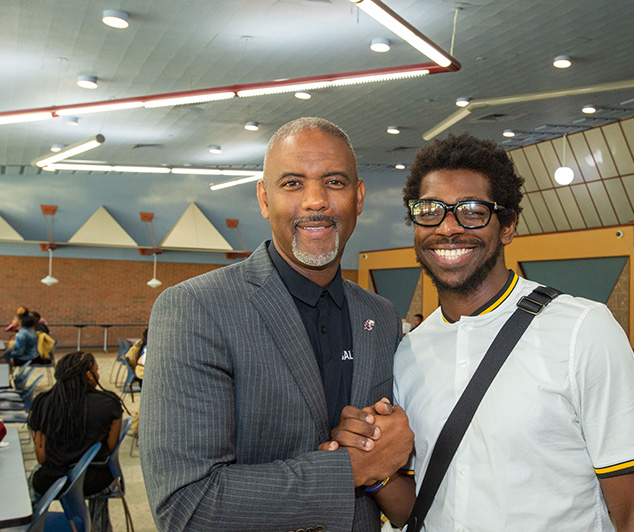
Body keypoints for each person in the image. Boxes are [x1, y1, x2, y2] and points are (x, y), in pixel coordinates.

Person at [351, 132, 634, 530]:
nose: (448, 228)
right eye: (430, 209)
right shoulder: (409, 353)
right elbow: (412, 510)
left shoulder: (582, 331)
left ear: (507, 226)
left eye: (472, 210)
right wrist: (370, 462)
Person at [140, 117, 414, 532]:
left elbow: (389, 464)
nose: (315, 201)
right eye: (292, 183)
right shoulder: (195, 308)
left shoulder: (382, 316)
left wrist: (380, 460)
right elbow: (186, 507)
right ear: (264, 199)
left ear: (358, 197)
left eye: (334, 182)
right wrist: (349, 469)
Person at [27, 351, 124, 532]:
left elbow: (41, 457)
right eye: (97, 370)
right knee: (104, 481)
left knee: (32, 482)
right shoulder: (110, 403)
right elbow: (110, 448)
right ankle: (100, 527)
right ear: (89, 375)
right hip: (94, 480)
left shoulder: (43, 403)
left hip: (54, 481)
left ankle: (32, 523)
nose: (98, 374)